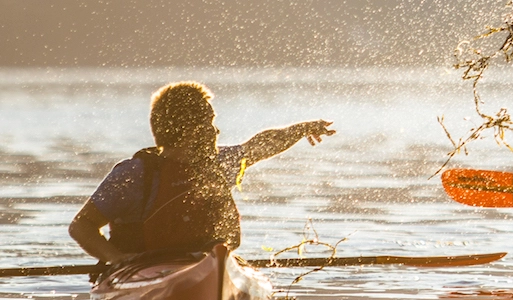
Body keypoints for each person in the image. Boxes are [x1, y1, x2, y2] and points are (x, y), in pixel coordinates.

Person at [68, 81, 335, 265]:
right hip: (142, 270)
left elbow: (260, 145)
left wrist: (301, 129)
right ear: (187, 130)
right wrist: (116, 259)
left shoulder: (218, 164)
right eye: (209, 123)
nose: (216, 131)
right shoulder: (135, 175)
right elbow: (82, 226)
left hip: (208, 265)